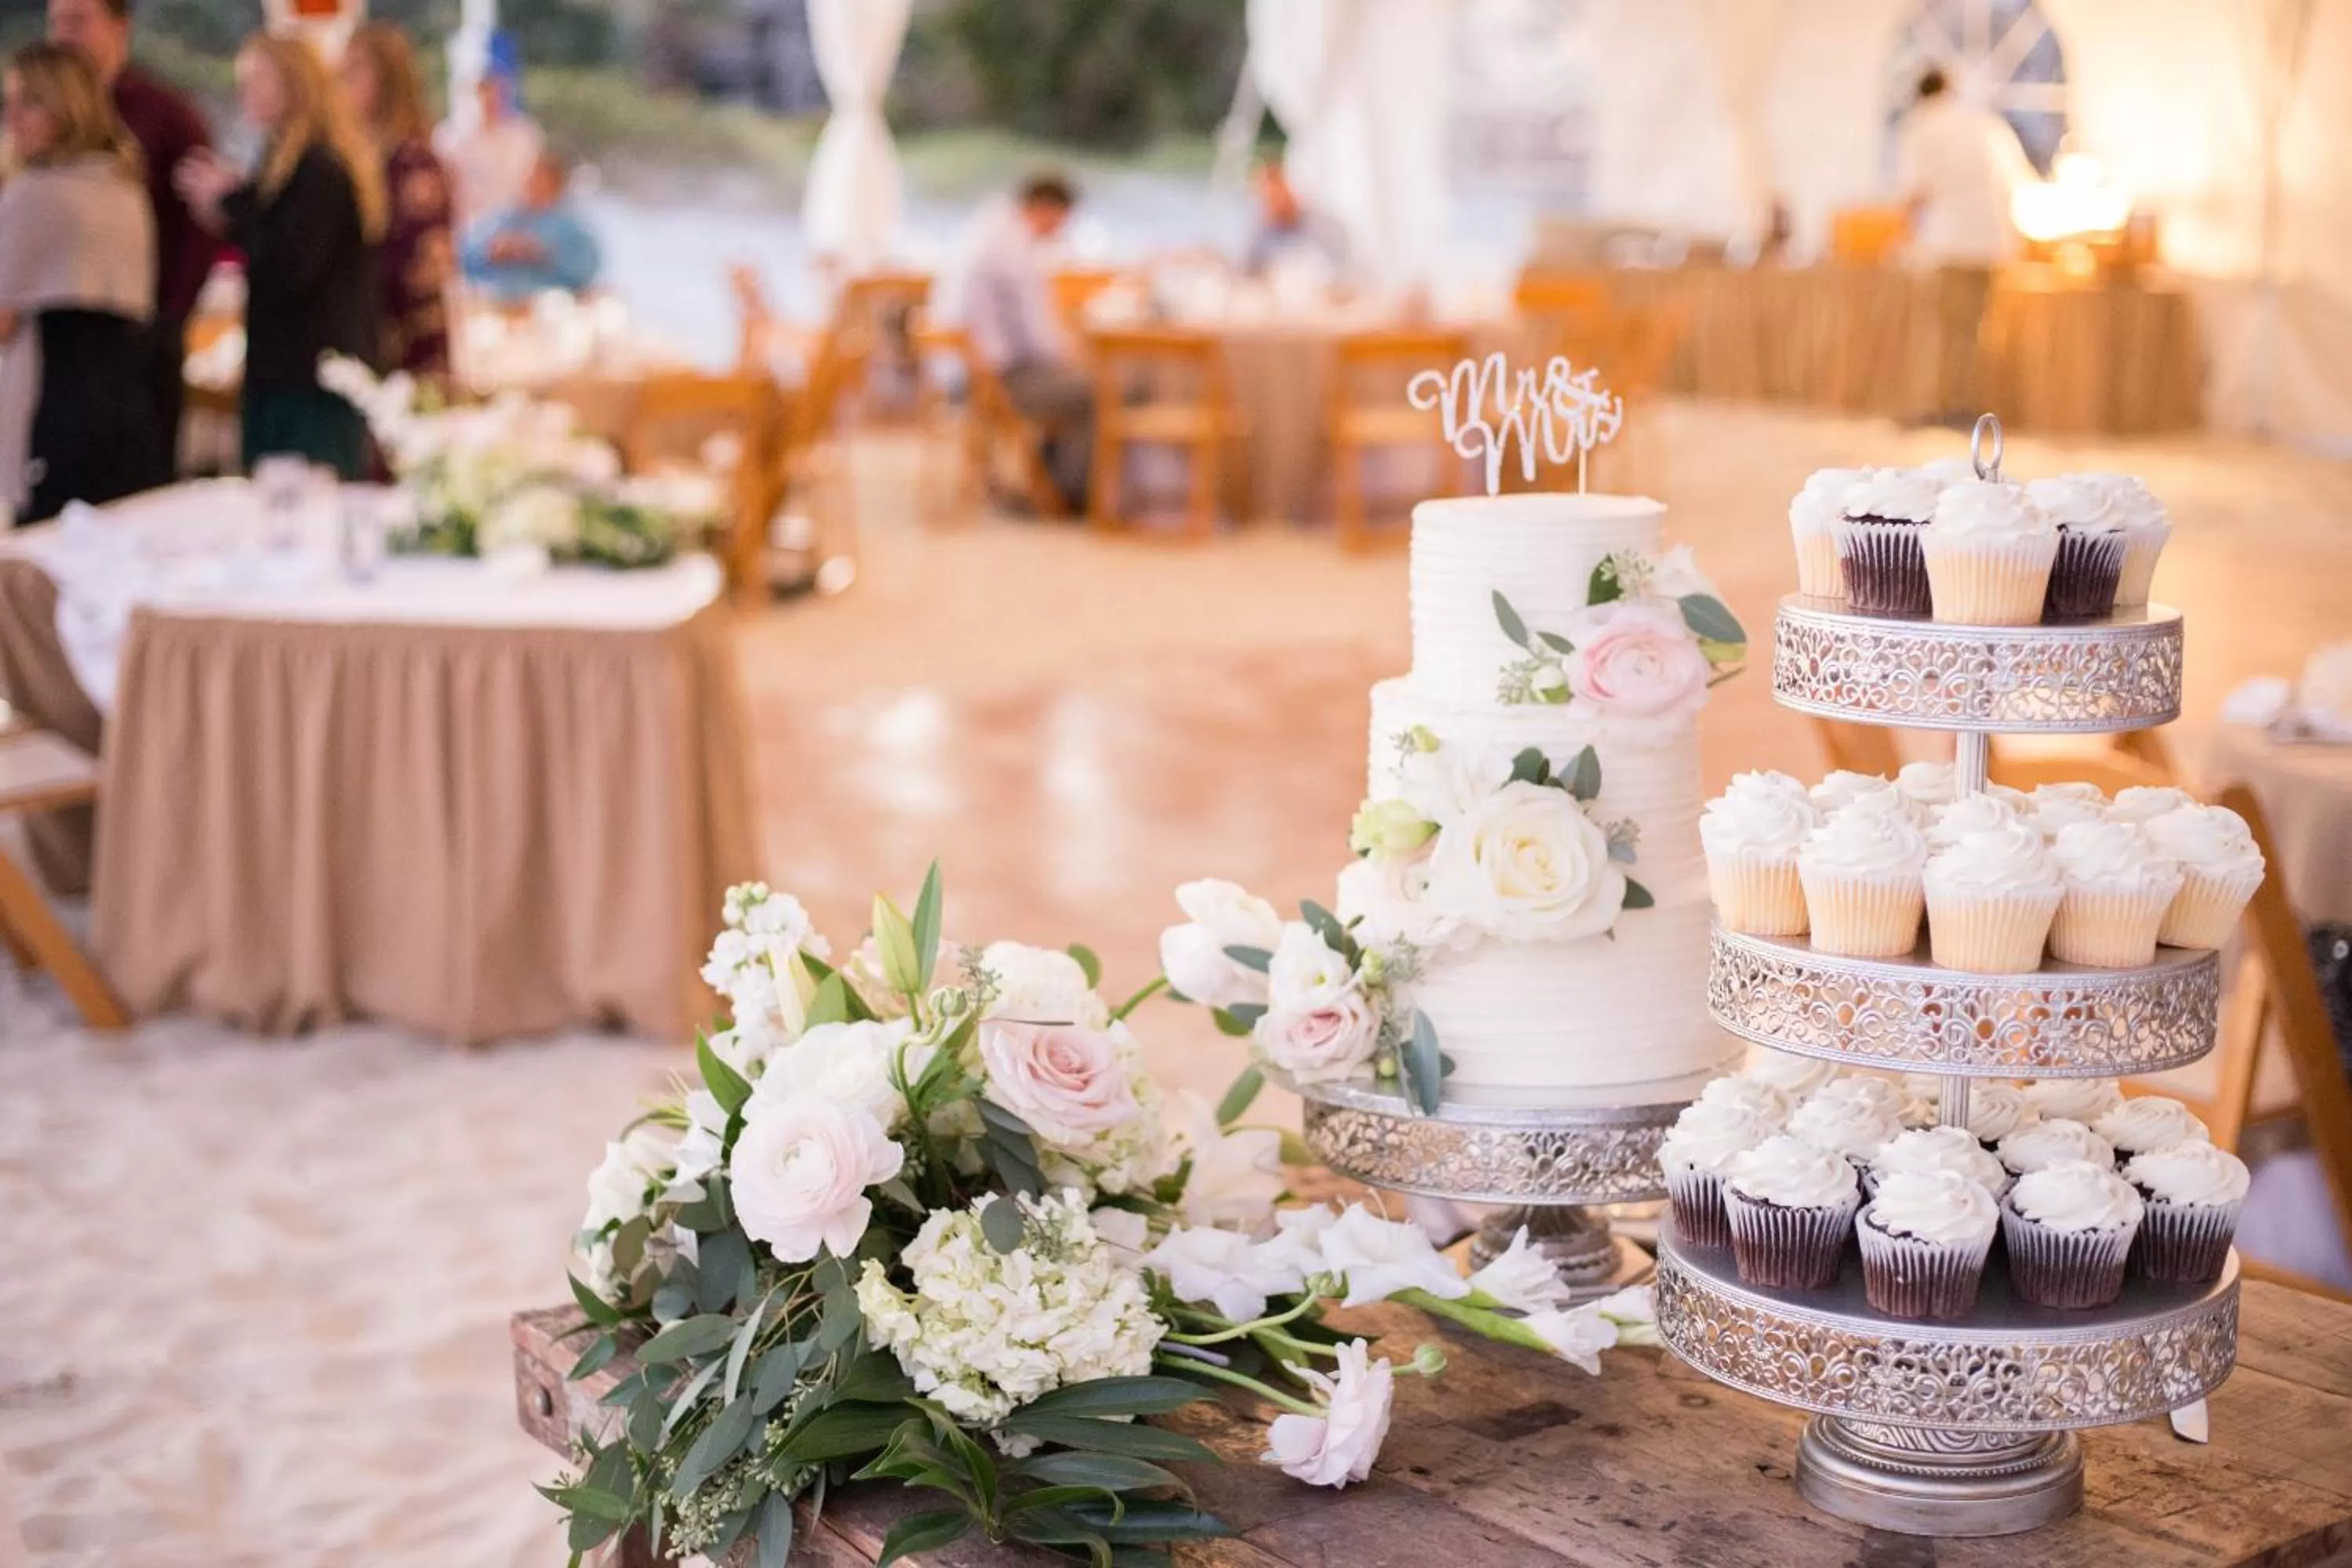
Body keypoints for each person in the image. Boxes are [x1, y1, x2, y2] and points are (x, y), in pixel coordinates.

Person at [173, 34, 385, 479]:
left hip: (312, 382)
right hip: (286, 374)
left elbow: (294, 263)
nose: (244, 92)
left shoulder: (319, 168)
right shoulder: (283, 164)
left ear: (292, 83)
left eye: (255, 80)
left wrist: (231, 204)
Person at [46, 0, 218, 488]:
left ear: (119, 27)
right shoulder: (42, 118)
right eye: (56, 21)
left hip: (138, 339)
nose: (62, 36)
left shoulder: (165, 115)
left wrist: (169, 317)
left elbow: (199, 227)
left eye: (77, 21)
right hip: (60, 345)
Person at [0, 42, 159, 523]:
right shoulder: (124, 189)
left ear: (65, 110)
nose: (14, 120)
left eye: (29, 103)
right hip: (127, 409)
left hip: (52, 414)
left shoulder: (35, 195)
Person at [943, 169, 1091, 511]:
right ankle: (1066, 492)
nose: (1060, 232)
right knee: (1098, 390)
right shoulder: (1012, 250)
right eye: (1061, 222)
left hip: (964, 372)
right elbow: (1039, 341)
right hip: (991, 380)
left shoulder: (986, 231)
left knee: (1076, 383)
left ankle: (1049, 480)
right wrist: (1075, 354)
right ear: (1047, 209)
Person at [1895, 66, 2034, 421]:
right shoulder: (1986, 124)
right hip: (1991, 241)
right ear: (1950, 87)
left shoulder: (1923, 127)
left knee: (1939, 330)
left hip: (1949, 242)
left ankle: (1932, 406)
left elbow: (1917, 191)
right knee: (1974, 331)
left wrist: (1901, 236)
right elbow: (2017, 183)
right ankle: (1964, 406)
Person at [341, 22, 453, 383]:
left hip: (403, 337)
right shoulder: (359, 154)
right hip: (364, 330)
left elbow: (416, 264)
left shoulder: (412, 162)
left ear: (388, 79)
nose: (343, 83)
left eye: (355, 69)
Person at [458, 149, 601, 303]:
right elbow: (464, 254)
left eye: (541, 179)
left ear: (557, 184)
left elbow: (587, 269)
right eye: (531, 177)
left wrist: (544, 254)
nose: (533, 184)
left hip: (548, 307)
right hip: (495, 304)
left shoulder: (571, 225)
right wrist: (492, 251)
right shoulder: (504, 217)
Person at [434, 67, 543, 234]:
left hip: (516, 232)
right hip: (466, 231)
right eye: (484, 91)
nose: (491, 99)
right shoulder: (449, 137)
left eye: (497, 91)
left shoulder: (525, 134)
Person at [1240, 156, 1348, 281]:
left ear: (1288, 190)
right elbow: (1248, 271)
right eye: (1265, 199)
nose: (1271, 204)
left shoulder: (1321, 226)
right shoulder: (1262, 234)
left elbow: (1339, 268)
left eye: (1274, 197)